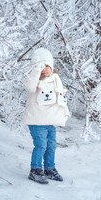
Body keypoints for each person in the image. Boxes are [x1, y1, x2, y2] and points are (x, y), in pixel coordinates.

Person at [23, 48, 70, 184]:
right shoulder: (33, 79)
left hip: (51, 121)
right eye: (40, 66)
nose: (44, 69)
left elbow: (60, 97)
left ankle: (49, 168)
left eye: (46, 66)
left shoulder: (56, 79)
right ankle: (35, 169)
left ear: (51, 66)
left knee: (51, 145)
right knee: (41, 145)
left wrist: (65, 112)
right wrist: (36, 70)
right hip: (37, 121)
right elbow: (30, 87)